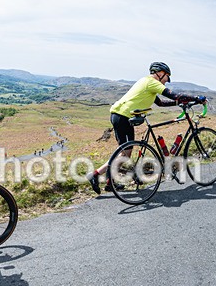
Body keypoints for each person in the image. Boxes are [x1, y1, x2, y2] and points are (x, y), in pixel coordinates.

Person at [87, 62, 206, 193]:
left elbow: (160, 103)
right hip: (123, 116)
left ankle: (110, 182)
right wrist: (196, 98)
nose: (167, 82)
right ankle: (96, 175)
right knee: (124, 153)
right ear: (160, 73)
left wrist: (180, 103)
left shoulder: (146, 82)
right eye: (167, 77)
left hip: (122, 115)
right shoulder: (152, 82)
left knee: (125, 152)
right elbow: (174, 95)